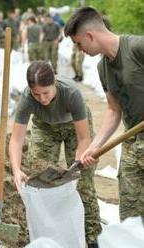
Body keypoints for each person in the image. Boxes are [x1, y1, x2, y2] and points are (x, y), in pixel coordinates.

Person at [9, 61, 101, 248]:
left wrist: (77, 163)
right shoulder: (27, 99)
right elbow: (16, 140)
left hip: (73, 126)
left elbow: (83, 138)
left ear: (54, 85)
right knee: (39, 179)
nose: (42, 99)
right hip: (45, 127)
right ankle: (46, 235)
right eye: (37, 94)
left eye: (46, 93)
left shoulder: (71, 93)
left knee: (84, 183)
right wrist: (16, 170)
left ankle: (92, 239)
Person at [64, 7, 144, 223]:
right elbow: (113, 110)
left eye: (79, 43)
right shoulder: (103, 68)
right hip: (132, 142)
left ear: (90, 35)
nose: (79, 50)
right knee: (130, 215)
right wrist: (94, 147)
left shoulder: (137, 47)